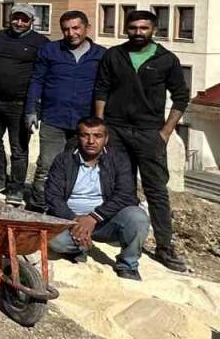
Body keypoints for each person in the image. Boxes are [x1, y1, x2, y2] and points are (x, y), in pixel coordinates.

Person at [94, 9, 190, 272]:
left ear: (154, 30)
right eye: (133, 27)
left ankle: (164, 246)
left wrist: (165, 132)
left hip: (149, 133)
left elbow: (181, 97)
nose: (138, 32)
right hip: (116, 130)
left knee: (156, 190)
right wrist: (101, 126)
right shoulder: (114, 55)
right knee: (117, 186)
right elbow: (101, 89)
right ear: (126, 28)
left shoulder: (166, 60)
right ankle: (118, 232)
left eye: (144, 28)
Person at [44, 117, 150, 281]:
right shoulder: (64, 160)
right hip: (71, 221)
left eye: (97, 136)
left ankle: (128, 265)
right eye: (85, 135)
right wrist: (75, 221)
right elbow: (52, 196)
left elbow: (126, 195)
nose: (91, 141)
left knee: (138, 218)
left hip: (104, 220)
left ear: (106, 139)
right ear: (78, 137)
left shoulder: (118, 160)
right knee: (55, 241)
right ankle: (80, 247)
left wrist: (94, 217)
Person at [25, 11, 105, 212]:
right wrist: (31, 109)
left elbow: (105, 88)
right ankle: (38, 206)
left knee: (76, 167)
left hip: (85, 123)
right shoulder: (50, 50)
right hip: (54, 118)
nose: (71, 33)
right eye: (66, 29)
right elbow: (37, 80)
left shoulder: (101, 55)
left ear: (87, 28)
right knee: (47, 165)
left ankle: (63, 207)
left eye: (76, 28)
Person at [0, 3, 49, 203]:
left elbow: (43, 75)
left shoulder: (41, 43)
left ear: (32, 21)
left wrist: (34, 107)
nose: (19, 23)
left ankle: (16, 187)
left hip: (20, 105)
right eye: (16, 18)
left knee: (18, 148)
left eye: (24, 19)